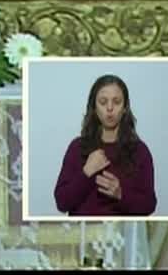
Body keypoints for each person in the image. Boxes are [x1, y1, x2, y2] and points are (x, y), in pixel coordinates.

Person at [53, 74, 156, 216]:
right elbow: (62, 202)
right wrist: (87, 172)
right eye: (103, 102)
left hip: (118, 235)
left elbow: (149, 205)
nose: (109, 108)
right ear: (94, 108)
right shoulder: (77, 148)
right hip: (84, 233)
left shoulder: (139, 151)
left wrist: (121, 194)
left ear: (125, 107)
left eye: (117, 101)